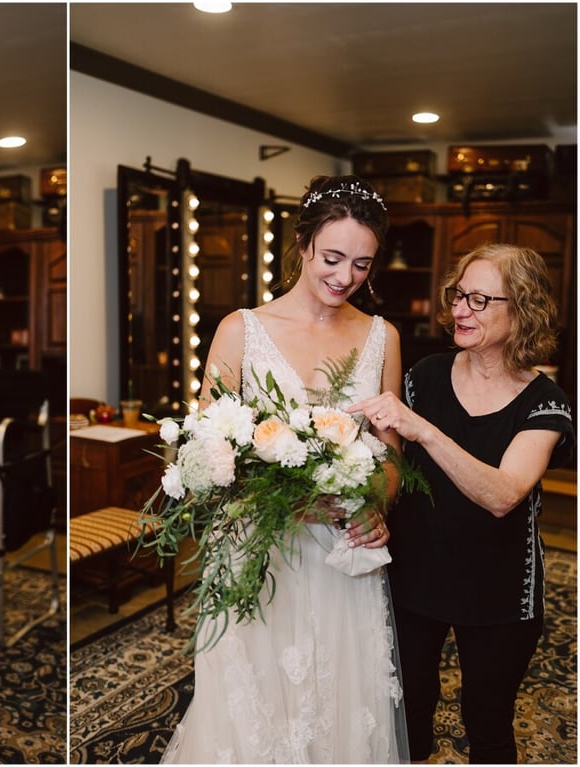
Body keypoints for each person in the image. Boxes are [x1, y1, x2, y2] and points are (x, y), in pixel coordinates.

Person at [162, 175, 409, 763]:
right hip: (258, 552)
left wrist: (377, 505)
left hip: (340, 557)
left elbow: (393, 455)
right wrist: (287, 500)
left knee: (337, 705)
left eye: (362, 264)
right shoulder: (241, 330)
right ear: (301, 245)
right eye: (332, 258)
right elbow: (206, 453)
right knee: (255, 707)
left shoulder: (382, 337)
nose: (345, 277)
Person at [349, 243, 575, 764]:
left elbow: (504, 495)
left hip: (500, 593)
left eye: (479, 300)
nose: (460, 310)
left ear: (522, 310)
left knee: (488, 721)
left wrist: (424, 430)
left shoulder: (545, 402)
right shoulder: (425, 375)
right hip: (414, 578)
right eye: (458, 295)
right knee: (406, 713)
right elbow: (386, 461)